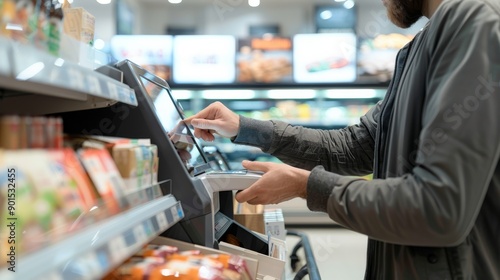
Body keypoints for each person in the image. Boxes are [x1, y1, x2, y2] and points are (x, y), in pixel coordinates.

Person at [185, 0, 500, 278]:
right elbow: (354, 146)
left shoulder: (471, 21)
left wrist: (304, 185)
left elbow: (438, 207)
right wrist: (244, 127)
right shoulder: (424, 43)